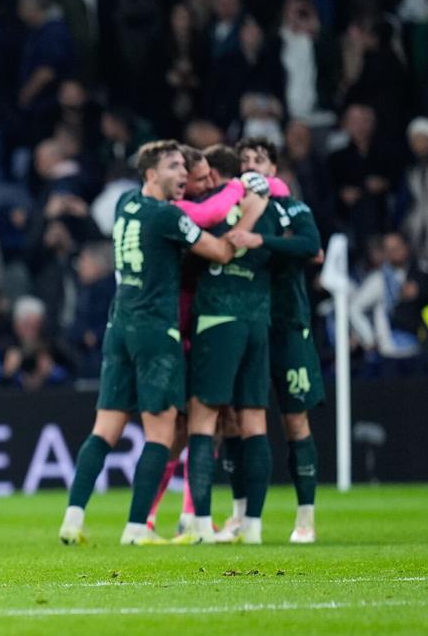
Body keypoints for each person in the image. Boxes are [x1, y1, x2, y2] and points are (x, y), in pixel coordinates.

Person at [59, 140, 265, 546]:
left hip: (118, 327)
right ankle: (137, 528)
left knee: (104, 430)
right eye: (174, 167)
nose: (183, 177)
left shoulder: (125, 206)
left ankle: (73, 518)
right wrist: (252, 212)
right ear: (151, 173)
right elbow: (220, 252)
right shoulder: (166, 217)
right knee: (162, 433)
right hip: (156, 331)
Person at [177, 141, 284, 545]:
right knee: (253, 422)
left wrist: (241, 198)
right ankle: (251, 526)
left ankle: (201, 525)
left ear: (218, 178)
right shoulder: (271, 209)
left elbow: (217, 245)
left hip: (218, 319)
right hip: (258, 319)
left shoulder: (213, 209)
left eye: (206, 178)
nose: (202, 185)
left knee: (204, 422)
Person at [229, 137, 323, 544]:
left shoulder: (291, 207)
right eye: (244, 160)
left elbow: (311, 246)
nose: (252, 165)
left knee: (294, 420)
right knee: (237, 421)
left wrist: (263, 241)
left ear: (273, 168)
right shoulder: (232, 210)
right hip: (247, 324)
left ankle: (305, 519)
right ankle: (239, 515)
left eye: (259, 159)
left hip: (286, 323)